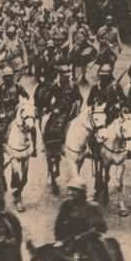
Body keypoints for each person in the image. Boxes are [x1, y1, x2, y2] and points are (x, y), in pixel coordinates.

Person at [40, 65, 82, 194]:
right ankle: (52, 148)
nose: (67, 78)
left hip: (72, 112)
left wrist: (78, 103)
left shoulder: (74, 85)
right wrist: (53, 109)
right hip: (59, 113)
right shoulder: (55, 86)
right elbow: (46, 100)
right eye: (65, 76)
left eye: (68, 76)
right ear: (61, 76)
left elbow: (80, 98)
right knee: (53, 129)